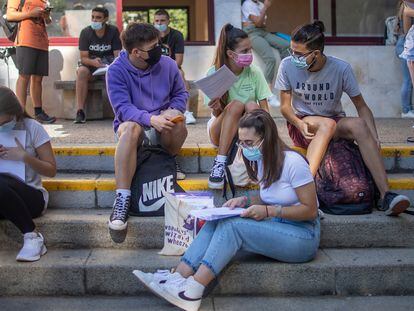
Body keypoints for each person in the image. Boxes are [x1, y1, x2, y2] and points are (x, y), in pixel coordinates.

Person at [133, 109, 320, 311]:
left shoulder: (293, 162)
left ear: (267, 139)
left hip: (303, 236)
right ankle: (178, 275)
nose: (243, 148)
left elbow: (310, 211)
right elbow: (271, 196)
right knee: (218, 219)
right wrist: (244, 200)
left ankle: (193, 289)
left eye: (248, 143)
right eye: (241, 142)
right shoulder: (262, 159)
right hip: (278, 225)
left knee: (233, 227)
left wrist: (268, 212)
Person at [276, 21, 411, 216]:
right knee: (327, 124)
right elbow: (285, 107)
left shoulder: (341, 68)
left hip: (334, 121)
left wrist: (374, 137)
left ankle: (385, 195)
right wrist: (297, 122)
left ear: (316, 53)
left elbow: (361, 106)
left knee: (358, 125)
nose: (293, 57)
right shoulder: (287, 66)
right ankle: (305, 193)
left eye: (299, 54)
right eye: (292, 51)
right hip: (304, 122)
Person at [106, 23, 188, 231]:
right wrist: (150, 120)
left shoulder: (168, 65)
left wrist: (173, 110)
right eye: (153, 46)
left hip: (164, 126)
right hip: (136, 128)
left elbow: (181, 94)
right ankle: (122, 198)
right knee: (131, 128)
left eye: (158, 43)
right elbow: (123, 109)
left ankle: (166, 161)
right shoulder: (115, 71)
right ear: (136, 52)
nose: (159, 49)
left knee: (179, 122)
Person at [205, 24, 272, 189]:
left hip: (247, 131)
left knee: (251, 105)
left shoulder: (254, 72)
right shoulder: (215, 72)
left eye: (250, 50)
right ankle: (219, 164)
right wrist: (216, 105)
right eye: (244, 51)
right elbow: (217, 113)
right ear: (230, 53)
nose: (249, 55)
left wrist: (270, 137)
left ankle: (259, 155)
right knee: (236, 105)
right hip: (220, 131)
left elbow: (265, 110)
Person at [0, 86, 56, 262]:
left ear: (13, 113)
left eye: (1, 123)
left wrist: (24, 157)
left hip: (30, 196)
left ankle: (32, 236)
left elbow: (51, 170)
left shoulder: (33, 128)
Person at [7, 0, 56, 123]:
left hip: (42, 42)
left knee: (38, 79)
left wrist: (46, 16)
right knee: (24, 76)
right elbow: (10, 15)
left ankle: (38, 112)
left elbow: (49, 21)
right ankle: (20, 113)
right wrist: (31, 13)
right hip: (25, 40)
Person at [74, 6, 122, 124]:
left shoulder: (113, 31)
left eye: (98, 18)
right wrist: (94, 63)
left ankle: (119, 112)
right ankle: (80, 111)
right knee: (81, 72)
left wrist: (109, 66)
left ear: (105, 19)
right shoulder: (85, 32)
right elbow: (83, 58)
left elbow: (118, 56)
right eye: (93, 17)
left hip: (108, 67)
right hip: (91, 66)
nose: (95, 20)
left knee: (117, 73)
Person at [153, 9, 196, 125]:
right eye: (157, 21)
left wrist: (166, 69)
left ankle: (186, 112)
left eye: (162, 20)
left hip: (172, 67)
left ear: (168, 21)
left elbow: (179, 61)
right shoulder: (151, 35)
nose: (159, 23)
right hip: (153, 68)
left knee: (181, 74)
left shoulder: (176, 35)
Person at [241, 0, 289, 84]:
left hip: (263, 31)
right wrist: (265, 7)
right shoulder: (247, 3)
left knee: (286, 45)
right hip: (251, 33)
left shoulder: (260, 4)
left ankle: (285, 74)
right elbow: (259, 23)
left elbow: (262, 24)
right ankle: (267, 89)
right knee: (270, 59)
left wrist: (258, 22)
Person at [396, 0, 414, 118]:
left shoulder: (406, 6)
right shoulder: (407, 8)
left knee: (409, 80)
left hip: (405, 43)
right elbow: (407, 32)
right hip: (406, 44)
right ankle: (406, 110)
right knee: (408, 80)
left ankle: (408, 109)